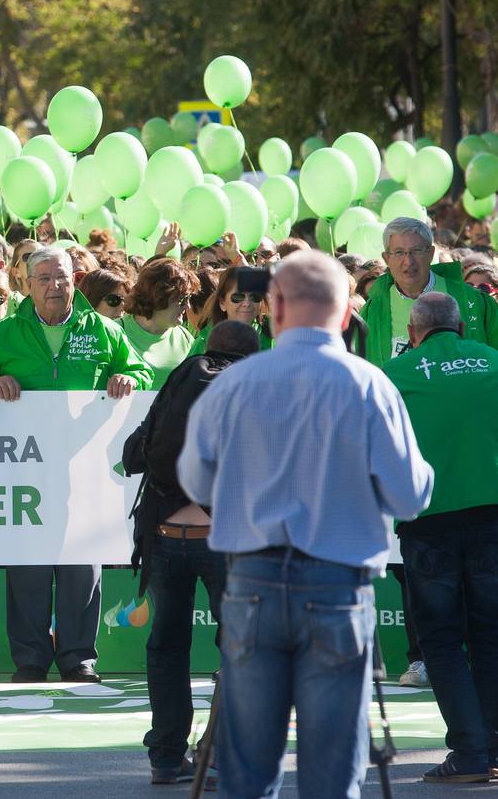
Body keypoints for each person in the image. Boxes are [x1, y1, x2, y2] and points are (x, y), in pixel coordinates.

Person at [177, 250, 434, 799]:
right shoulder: (370, 385)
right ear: (346, 317)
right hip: (336, 586)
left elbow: (196, 482)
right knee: (333, 769)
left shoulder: (233, 384)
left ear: (273, 310)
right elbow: (409, 496)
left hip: (252, 583)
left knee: (247, 768)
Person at [0, 246, 151, 684]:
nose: (53, 286)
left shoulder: (104, 331)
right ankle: (30, 658)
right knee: (28, 565)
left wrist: (128, 378)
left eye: (61, 276)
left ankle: (79, 657)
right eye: (42, 278)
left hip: (86, 471)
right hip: (25, 472)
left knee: (83, 564)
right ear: (26, 284)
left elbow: (142, 374)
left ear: (75, 280)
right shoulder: (2, 335)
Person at [122, 320, 260, 785]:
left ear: (207, 347)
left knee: (166, 646)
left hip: (164, 534)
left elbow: (134, 455)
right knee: (240, 646)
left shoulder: (182, 377)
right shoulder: (253, 387)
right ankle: (218, 752)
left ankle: (165, 756)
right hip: (225, 537)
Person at [383, 293, 498, 783]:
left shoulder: (398, 374)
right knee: (491, 636)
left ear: (413, 332)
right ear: (461, 329)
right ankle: (489, 745)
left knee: (443, 642)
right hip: (492, 516)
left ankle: (472, 751)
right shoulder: (493, 363)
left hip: (429, 523)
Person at [362, 216, 498, 366]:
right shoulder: (372, 311)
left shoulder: (475, 301)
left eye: (416, 250)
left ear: (431, 253)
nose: (408, 261)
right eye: (399, 252)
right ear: (387, 258)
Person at [121, 257, 198, 390]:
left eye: (189, 299)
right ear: (159, 295)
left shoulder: (185, 337)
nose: (188, 307)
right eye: (183, 299)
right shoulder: (115, 330)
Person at [188, 266, 274, 356]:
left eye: (255, 297)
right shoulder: (203, 344)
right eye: (238, 297)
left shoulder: (275, 336)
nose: (247, 303)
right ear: (222, 303)